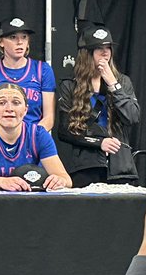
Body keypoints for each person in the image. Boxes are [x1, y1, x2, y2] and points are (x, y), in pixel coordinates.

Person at [55, 26, 140, 187]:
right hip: (86, 167)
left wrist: (113, 84)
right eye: (99, 48)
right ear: (86, 53)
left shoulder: (122, 82)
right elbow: (64, 131)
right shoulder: (70, 85)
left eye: (108, 47)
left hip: (120, 167)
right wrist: (98, 142)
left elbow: (132, 117)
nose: (105, 52)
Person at [0, 82, 71, 191]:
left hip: (29, 203)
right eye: (2, 102)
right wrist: (1, 181)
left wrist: (60, 180)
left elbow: (66, 179)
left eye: (16, 103)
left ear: (25, 109)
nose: (9, 108)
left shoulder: (38, 135)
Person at [0, 17, 55, 130]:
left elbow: (49, 118)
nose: (20, 42)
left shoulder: (42, 70)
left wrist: (31, 137)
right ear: (1, 42)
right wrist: (0, 137)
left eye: (24, 37)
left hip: (33, 139)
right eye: (13, 37)